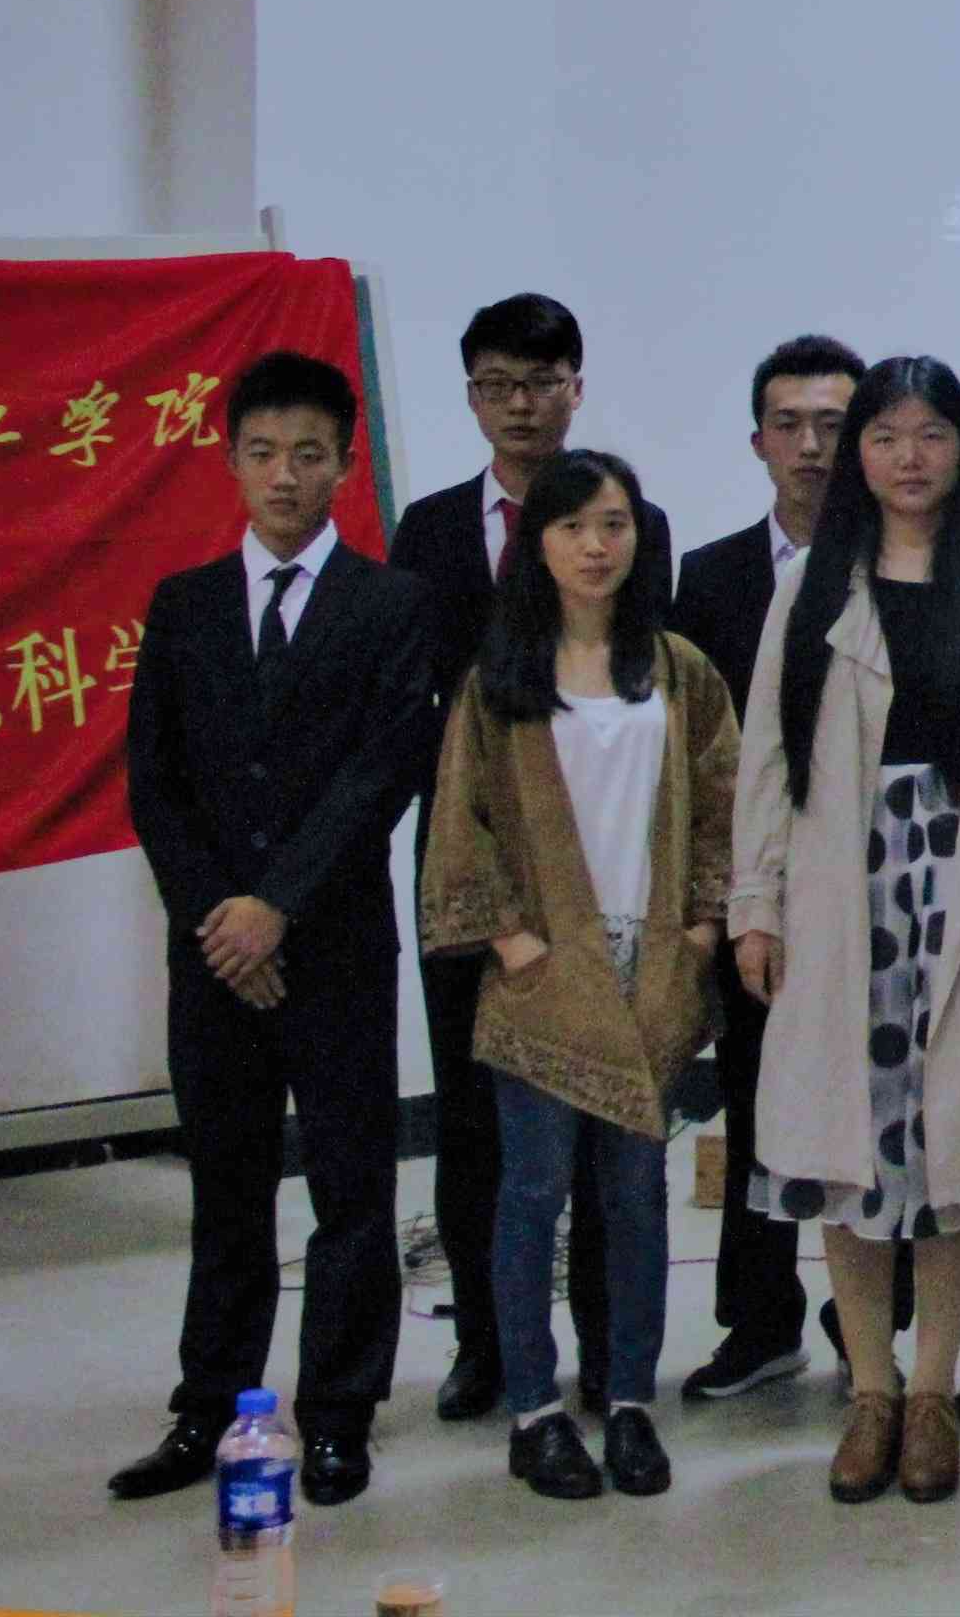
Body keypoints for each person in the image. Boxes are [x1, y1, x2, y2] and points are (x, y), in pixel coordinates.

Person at [730, 355, 960, 1508]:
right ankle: (869, 1389)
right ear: (858, 455)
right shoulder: (813, 585)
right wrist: (756, 905)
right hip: (845, 886)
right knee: (851, 1152)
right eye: (885, 437)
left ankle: (934, 1393)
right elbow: (767, 757)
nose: (907, 458)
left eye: (930, 435)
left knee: (952, 1149)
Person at [109, 353, 437, 1511]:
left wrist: (276, 905)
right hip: (215, 962)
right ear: (232, 463)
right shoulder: (185, 605)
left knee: (350, 1190)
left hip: (334, 948)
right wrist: (221, 920)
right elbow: (155, 783)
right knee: (228, 1191)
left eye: (308, 454)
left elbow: (382, 771)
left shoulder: (390, 605)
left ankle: (339, 1415)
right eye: (263, 453)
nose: (285, 475)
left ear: (344, 465)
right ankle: (208, 1406)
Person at [419, 450, 739, 1502]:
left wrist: (702, 929)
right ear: (538, 545)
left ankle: (631, 1400)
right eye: (571, 527)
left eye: (613, 524)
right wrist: (512, 939)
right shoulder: (501, 677)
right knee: (531, 1191)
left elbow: (723, 799)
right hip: (545, 970)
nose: (595, 546)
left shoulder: (679, 669)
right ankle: (534, 1411)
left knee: (637, 1194)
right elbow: (460, 817)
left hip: (651, 966)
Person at [393, 293, 674, 1424]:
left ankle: (610, 1351)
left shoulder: (632, 520)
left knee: (612, 1128)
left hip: (608, 871)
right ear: (471, 396)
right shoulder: (426, 529)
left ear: (576, 389)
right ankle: (487, 1347)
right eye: (498, 385)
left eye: (542, 383)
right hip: (481, 872)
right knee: (477, 1126)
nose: (521, 406)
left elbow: (651, 683)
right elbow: (416, 704)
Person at [673, 334, 866, 1402]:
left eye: (833, 426)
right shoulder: (708, 579)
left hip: (875, 888)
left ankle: (872, 1322)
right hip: (755, 888)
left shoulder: (907, 561)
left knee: (876, 1107)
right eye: (789, 425)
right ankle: (759, 1322)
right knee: (754, 1103)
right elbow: (695, 756)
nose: (811, 447)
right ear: (757, 441)